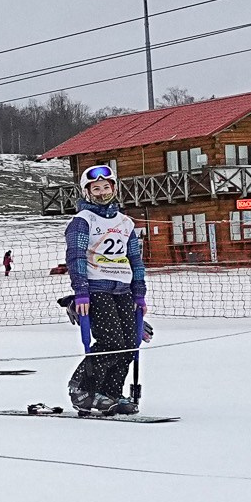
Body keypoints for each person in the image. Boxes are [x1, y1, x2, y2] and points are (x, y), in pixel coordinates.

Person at [64, 164, 147, 415]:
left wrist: (139, 293)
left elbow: (135, 259)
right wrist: (81, 291)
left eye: (106, 187)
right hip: (96, 287)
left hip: (123, 288)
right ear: (87, 192)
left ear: (114, 189)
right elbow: (76, 256)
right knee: (111, 342)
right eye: (96, 189)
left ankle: (111, 392)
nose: (102, 192)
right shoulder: (82, 221)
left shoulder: (126, 222)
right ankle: (83, 389)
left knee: (129, 344)